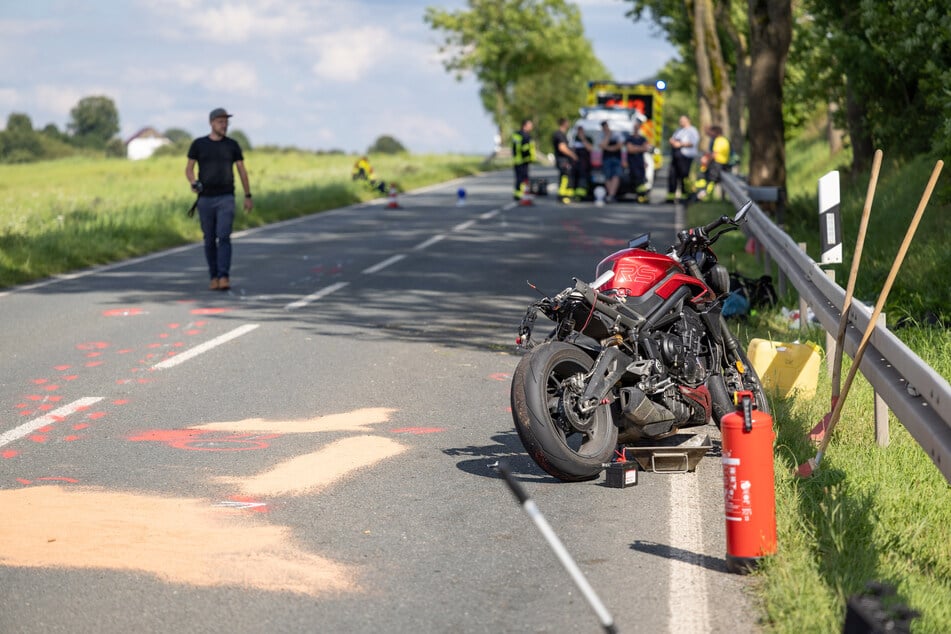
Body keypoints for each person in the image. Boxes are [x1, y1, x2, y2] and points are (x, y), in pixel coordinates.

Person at [185, 107, 252, 291]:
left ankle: (224, 276)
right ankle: (213, 276)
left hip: (226, 198)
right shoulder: (199, 144)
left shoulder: (232, 145)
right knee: (209, 239)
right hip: (205, 199)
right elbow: (189, 169)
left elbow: (242, 171)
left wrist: (247, 195)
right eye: (221, 122)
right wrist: (193, 182)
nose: (225, 125)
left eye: (226, 122)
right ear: (212, 123)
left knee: (223, 236)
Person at [666, 114, 700, 203]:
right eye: (680, 121)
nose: (681, 122)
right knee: (672, 176)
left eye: (683, 120)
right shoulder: (679, 130)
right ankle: (671, 197)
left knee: (684, 176)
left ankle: (685, 197)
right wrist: (672, 141)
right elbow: (673, 139)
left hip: (685, 156)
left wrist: (680, 144)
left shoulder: (692, 131)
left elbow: (692, 143)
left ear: (688, 121)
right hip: (676, 156)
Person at [694, 124, 731, 201]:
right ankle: (702, 194)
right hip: (719, 164)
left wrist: (706, 160)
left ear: (716, 132)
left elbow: (715, 154)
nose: (710, 134)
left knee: (711, 180)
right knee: (707, 179)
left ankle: (704, 196)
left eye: (711, 132)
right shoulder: (722, 140)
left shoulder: (719, 140)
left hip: (718, 164)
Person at [624, 119, 652, 203]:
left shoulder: (642, 138)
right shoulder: (629, 138)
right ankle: (639, 195)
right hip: (632, 162)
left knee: (642, 180)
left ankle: (641, 196)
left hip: (640, 162)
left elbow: (646, 148)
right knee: (635, 179)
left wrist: (636, 148)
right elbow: (630, 149)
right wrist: (640, 148)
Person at [551, 117, 578, 203]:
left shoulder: (562, 134)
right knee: (565, 177)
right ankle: (563, 196)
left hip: (563, 160)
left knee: (565, 177)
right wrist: (572, 155)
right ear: (564, 123)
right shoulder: (559, 134)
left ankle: (564, 195)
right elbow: (562, 148)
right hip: (563, 160)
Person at [599, 120, 624, 203]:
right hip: (606, 158)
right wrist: (607, 136)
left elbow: (619, 145)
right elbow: (602, 146)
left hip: (616, 158)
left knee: (616, 175)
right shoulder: (602, 135)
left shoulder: (617, 134)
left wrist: (608, 148)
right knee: (607, 176)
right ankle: (610, 195)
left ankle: (612, 194)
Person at [511, 119, 536, 201]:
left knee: (519, 178)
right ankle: (522, 194)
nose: (531, 127)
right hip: (523, 160)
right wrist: (528, 158)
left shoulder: (516, 135)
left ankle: (518, 194)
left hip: (517, 160)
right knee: (523, 178)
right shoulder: (525, 136)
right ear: (525, 125)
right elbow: (525, 149)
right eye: (530, 125)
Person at [570, 125, 593, 200]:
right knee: (574, 179)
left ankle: (581, 195)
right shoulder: (574, 139)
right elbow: (572, 149)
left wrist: (583, 139)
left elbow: (590, 148)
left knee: (583, 179)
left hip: (584, 163)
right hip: (575, 163)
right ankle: (574, 194)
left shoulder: (588, 139)